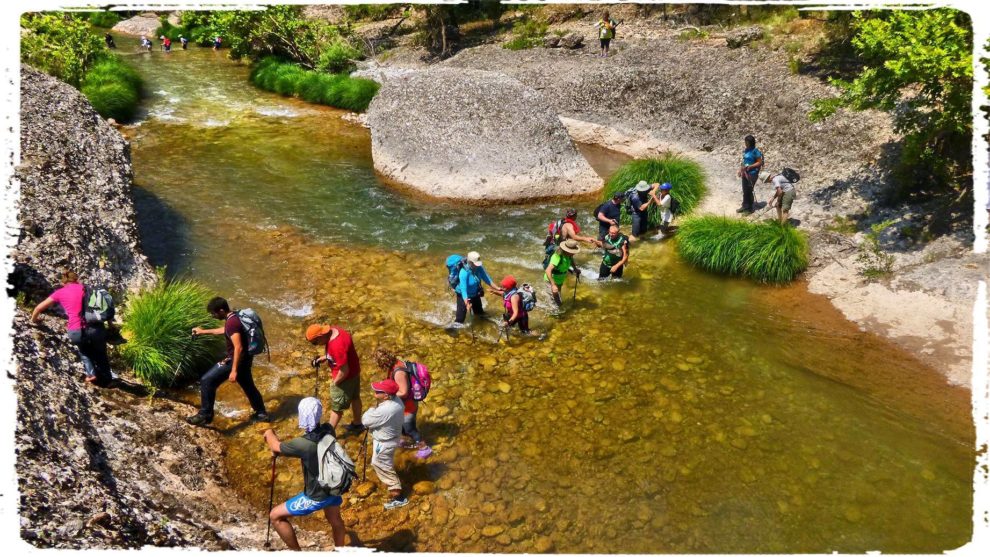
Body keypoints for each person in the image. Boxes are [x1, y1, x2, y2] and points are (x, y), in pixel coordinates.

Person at [262, 397, 346, 550]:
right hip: (334, 489)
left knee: (275, 516)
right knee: (335, 520)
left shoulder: (302, 444)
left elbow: (275, 446)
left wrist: (268, 431)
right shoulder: (328, 430)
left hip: (316, 496)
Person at [186, 297, 269, 426]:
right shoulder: (235, 316)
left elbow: (238, 347)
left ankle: (205, 415)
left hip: (237, 361)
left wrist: (234, 370)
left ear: (221, 310)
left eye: (214, 313)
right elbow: (226, 331)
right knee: (248, 386)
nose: (213, 316)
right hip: (246, 359)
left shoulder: (232, 323)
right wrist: (202, 332)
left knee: (207, 380)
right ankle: (261, 413)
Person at [29, 270, 113, 387]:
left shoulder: (60, 292)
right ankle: (108, 380)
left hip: (76, 330)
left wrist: (34, 320)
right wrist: (111, 325)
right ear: (76, 280)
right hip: (96, 328)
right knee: (101, 353)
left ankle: (91, 373)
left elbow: (38, 308)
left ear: (63, 283)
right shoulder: (87, 289)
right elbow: (104, 307)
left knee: (84, 351)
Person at [372, 349, 432, 459]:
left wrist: (387, 395)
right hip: (404, 406)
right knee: (401, 426)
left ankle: (424, 448)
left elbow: (404, 392)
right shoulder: (395, 364)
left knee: (410, 429)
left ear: (383, 362)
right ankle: (403, 440)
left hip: (408, 408)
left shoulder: (398, 371)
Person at [307, 324, 365, 434]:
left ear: (320, 336)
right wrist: (325, 357)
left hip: (345, 378)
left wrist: (335, 383)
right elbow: (342, 355)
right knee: (355, 397)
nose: (316, 345)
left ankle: (329, 433)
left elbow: (344, 370)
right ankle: (358, 424)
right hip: (355, 371)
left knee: (337, 407)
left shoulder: (336, 345)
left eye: (315, 343)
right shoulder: (335, 330)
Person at [361, 379, 408, 510]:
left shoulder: (385, 410)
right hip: (392, 439)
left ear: (387, 396)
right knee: (383, 463)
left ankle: (398, 497)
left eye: (378, 391)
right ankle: (396, 489)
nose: (375, 391)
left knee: (380, 464)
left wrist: (371, 409)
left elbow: (365, 421)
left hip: (384, 443)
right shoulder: (396, 401)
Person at [455, 251, 493, 324]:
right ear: (470, 262)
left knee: (479, 314)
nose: (478, 265)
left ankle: (481, 325)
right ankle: (451, 331)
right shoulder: (464, 272)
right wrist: (467, 303)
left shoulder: (479, 267)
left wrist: (498, 288)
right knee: (460, 319)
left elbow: (487, 279)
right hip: (463, 295)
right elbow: (463, 290)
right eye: (476, 264)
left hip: (475, 293)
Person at [544, 239, 582, 307]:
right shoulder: (557, 256)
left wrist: (575, 269)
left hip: (559, 281)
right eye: (573, 251)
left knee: (558, 301)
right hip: (551, 281)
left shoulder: (569, 255)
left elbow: (571, 260)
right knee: (556, 305)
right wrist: (553, 285)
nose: (574, 253)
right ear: (567, 250)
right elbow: (548, 270)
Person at [738, 135, 763, 214]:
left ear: (751, 142)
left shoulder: (755, 151)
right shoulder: (746, 150)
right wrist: (740, 170)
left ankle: (749, 208)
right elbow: (744, 161)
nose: (745, 143)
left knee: (749, 190)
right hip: (745, 172)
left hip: (752, 173)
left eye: (747, 142)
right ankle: (744, 205)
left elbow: (760, 162)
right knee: (745, 190)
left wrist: (750, 166)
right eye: (745, 142)